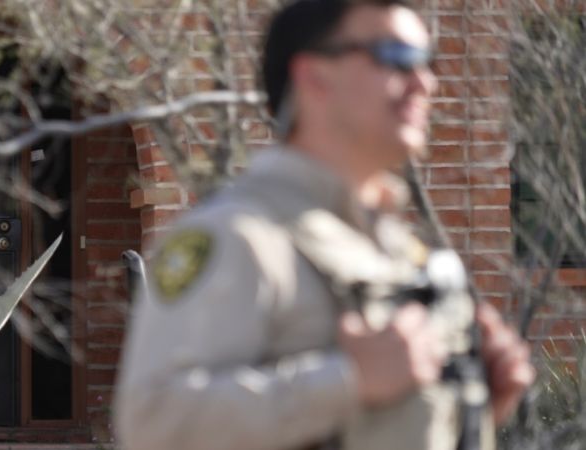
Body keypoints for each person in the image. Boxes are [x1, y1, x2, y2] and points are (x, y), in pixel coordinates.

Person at [112, 0, 535, 449]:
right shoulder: (235, 237)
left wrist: (471, 404)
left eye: (426, 63)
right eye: (394, 59)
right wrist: (346, 381)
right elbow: (152, 421)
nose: (423, 82)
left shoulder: (398, 247)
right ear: (314, 76)